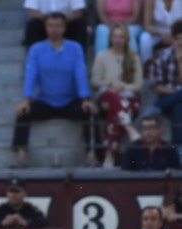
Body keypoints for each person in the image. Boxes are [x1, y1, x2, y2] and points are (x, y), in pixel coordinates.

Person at [12, 12, 99, 169]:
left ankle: (91, 154)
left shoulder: (75, 48)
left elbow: (80, 73)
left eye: (58, 25)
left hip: (69, 101)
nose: (54, 29)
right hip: (46, 100)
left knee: (89, 113)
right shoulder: (36, 49)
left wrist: (85, 98)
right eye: (50, 25)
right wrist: (26, 99)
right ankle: (21, 154)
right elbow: (31, 74)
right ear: (45, 28)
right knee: (23, 113)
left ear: (64, 28)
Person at [92, 24, 143, 168]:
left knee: (118, 107)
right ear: (110, 38)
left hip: (129, 98)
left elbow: (138, 85)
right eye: (115, 36)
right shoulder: (102, 56)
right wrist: (111, 84)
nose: (117, 40)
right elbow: (95, 82)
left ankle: (109, 155)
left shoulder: (133, 56)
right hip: (106, 97)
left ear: (126, 39)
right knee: (112, 97)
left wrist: (123, 86)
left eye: (121, 37)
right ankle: (128, 126)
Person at [143, 20, 182, 150]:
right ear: (173, 39)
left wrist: (180, 61)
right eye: (177, 39)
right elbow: (155, 86)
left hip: (168, 103)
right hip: (167, 99)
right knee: (178, 105)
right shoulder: (161, 55)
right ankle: (179, 151)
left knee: (179, 107)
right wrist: (176, 93)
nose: (180, 43)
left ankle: (156, 108)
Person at [23, 0, 88, 49]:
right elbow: (32, 12)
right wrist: (48, 20)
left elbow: (78, 11)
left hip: (67, 22)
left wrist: (62, 21)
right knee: (33, 25)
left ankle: (80, 58)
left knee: (80, 24)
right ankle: (32, 59)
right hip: (43, 22)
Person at [139, 0, 182, 65]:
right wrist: (160, 34)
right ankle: (147, 66)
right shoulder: (151, 1)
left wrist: (174, 35)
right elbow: (147, 24)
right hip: (157, 32)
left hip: (178, 33)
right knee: (145, 39)